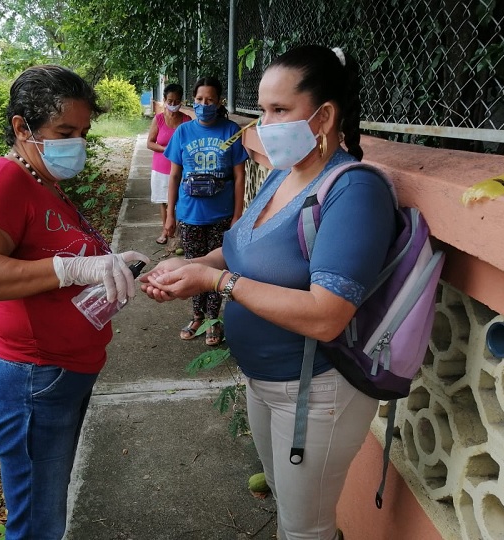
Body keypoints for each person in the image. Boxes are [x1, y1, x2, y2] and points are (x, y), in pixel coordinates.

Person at [140, 45, 397, 540]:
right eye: (262, 109)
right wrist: (193, 266)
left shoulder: (353, 191)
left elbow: (326, 316)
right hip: (265, 382)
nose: (264, 124)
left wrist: (216, 283)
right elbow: (241, 249)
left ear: (324, 116)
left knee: (304, 530)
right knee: (285, 502)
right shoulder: (284, 172)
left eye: (280, 110)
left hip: (314, 390)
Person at [0, 65, 149, 540]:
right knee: (39, 524)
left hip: (60, 375)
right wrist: (71, 269)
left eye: (83, 133)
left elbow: (46, 251)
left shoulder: (43, 179)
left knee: (48, 506)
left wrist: (110, 264)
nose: (77, 143)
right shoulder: (1, 179)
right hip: (29, 379)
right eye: (65, 132)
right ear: (22, 127)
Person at [163, 76, 248, 346]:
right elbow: (174, 176)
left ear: (219, 102)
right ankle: (196, 316)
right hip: (190, 214)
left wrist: (237, 215)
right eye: (199, 99)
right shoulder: (183, 132)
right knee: (193, 266)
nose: (204, 104)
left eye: (210, 100)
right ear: (193, 100)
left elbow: (240, 177)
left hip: (221, 214)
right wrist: (170, 214)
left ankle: (213, 320)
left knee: (217, 270)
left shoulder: (231, 130)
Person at [147, 83, 192, 245]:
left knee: (181, 201)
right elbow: (150, 143)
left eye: (177, 101)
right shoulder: (158, 119)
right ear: (164, 100)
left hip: (181, 169)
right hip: (161, 168)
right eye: (170, 101)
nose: (173, 104)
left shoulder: (186, 120)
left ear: (181, 101)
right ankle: (165, 231)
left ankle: (179, 233)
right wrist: (166, 149)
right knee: (164, 202)